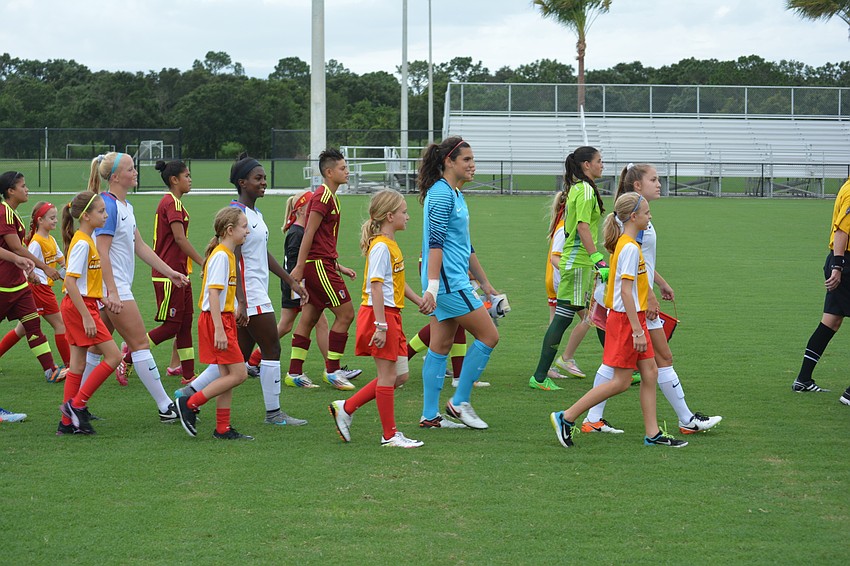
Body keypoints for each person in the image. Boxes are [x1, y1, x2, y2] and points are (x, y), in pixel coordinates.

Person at [581, 164, 722, 435]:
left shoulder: (638, 218)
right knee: (659, 359)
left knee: (620, 365)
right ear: (637, 186)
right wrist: (652, 297)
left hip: (633, 301)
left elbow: (640, 262)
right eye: (653, 179)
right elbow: (634, 264)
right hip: (635, 303)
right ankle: (685, 420)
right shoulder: (638, 222)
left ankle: (593, 418)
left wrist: (661, 283)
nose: (659, 183)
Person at [550, 192, 688, 448]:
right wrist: (636, 330)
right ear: (634, 217)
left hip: (633, 320)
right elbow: (625, 292)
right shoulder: (629, 248)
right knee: (622, 381)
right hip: (626, 321)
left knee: (650, 372)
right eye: (646, 213)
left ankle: (653, 433)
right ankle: (566, 416)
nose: (650, 216)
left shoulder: (629, 245)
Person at [87, 152, 188, 421]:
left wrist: (170, 272)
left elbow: (140, 246)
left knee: (95, 348)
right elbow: (102, 251)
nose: (136, 172)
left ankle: (76, 405)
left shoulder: (125, 207)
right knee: (140, 343)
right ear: (116, 177)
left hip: (112, 288)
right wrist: (113, 291)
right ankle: (166, 406)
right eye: (131, 169)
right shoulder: (108, 206)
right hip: (114, 288)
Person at [329, 189, 429, 447]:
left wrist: (418, 300)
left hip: (390, 314)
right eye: (404, 212)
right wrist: (381, 326)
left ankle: (347, 407)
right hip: (379, 316)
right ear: (389, 215)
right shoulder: (381, 247)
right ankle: (389, 435)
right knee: (387, 376)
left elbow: (394, 282)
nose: (408, 217)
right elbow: (375, 287)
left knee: (400, 376)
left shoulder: (390, 244)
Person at [418, 136, 499, 430]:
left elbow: (465, 245)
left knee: (440, 345)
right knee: (489, 336)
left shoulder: (455, 194)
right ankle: (460, 401)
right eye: (466, 159)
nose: (473, 165)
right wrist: (433, 286)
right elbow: (435, 243)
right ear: (448, 162)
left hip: (451, 280)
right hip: (449, 282)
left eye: (472, 159)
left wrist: (485, 282)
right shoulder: (441, 194)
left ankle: (430, 416)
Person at [245, 190, 360, 387]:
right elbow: (294, 262)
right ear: (301, 210)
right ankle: (330, 368)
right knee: (289, 324)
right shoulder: (297, 232)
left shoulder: (302, 230)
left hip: (299, 281)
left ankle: (316, 369)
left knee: (310, 321)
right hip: (296, 283)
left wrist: (340, 268)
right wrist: (297, 286)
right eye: (309, 205)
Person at [529, 147, 608, 392]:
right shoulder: (584, 190)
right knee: (566, 319)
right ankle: (540, 377)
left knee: (598, 314)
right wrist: (597, 258)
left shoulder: (580, 188)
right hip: (578, 263)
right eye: (599, 161)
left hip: (580, 263)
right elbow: (583, 226)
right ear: (586, 165)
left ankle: (622, 369)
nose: (602, 165)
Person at [175, 207, 253, 440]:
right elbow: (212, 295)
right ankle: (189, 403)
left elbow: (220, 294)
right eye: (244, 226)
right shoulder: (221, 256)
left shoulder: (226, 255)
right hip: (217, 321)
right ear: (230, 230)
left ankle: (222, 428)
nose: (247, 231)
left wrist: (235, 307)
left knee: (226, 375)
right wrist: (220, 328)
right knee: (239, 374)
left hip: (222, 318)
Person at [287, 148, 361, 390]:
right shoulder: (322, 197)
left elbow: (320, 238)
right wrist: (299, 267)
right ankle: (332, 370)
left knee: (309, 317)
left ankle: (294, 373)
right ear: (329, 172)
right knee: (346, 314)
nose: (347, 171)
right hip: (318, 265)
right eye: (342, 168)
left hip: (323, 263)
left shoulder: (330, 196)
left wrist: (338, 266)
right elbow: (308, 232)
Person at [135, 159, 205, 387]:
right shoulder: (171, 203)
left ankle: (188, 375)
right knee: (172, 326)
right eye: (187, 176)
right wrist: (203, 262)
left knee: (184, 325)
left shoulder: (175, 203)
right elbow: (179, 239)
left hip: (179, 273)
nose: (190, 179)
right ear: (174, 180)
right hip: (168, 274)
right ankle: (127, 356)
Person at [58, 191, 122, 435]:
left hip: (84, 304)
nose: (105, 215)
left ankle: (66, 424)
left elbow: (84, 282)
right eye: (101, 211)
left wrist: (102, 298)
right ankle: (77, 406)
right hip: (79, 308)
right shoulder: (83, 242)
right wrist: (86, 315)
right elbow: (71, 283)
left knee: (77, 365)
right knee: (114, 356)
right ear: (86, 216)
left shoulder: (87, 239)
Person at [0, 171, 64, 382]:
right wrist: (43, 268)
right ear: (10, 191)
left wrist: (28, 271)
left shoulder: (13, 213)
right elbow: (17, 249)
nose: (27, 190)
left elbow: (18, 254)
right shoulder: (4, 213)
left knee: (32, 325)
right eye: (23, 186)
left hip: (18, 286)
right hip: (4, 286)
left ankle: (51, 370)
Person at [793, 175, 850, 406]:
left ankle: (803, 379)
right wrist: (838, 266)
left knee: (831, 321)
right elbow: (842, 231)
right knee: (830, 321)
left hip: (842, 262)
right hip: (845, 262)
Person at [545, 188, 592, 380]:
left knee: (555, 324)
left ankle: (547, 366)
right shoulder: (564, 228)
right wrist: (571, 273)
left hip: (557, 281)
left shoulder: (563, 226)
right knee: (590, 317)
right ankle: (567, 358)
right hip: (564, 282)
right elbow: (555, 258)